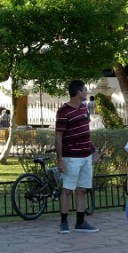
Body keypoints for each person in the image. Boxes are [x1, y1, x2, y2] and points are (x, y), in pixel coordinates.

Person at [56, 80, 98, 234]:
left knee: (82, 190)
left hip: (86, 156)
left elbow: (85, 133)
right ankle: (64, 222)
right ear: (78, 92)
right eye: (85, 90)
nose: (87, 92)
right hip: (71, 158)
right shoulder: (64, 111)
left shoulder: (84, 108)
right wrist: (60, 159)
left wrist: (94, 150)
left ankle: (80, 222)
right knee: (67, 190)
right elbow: (58, 136)